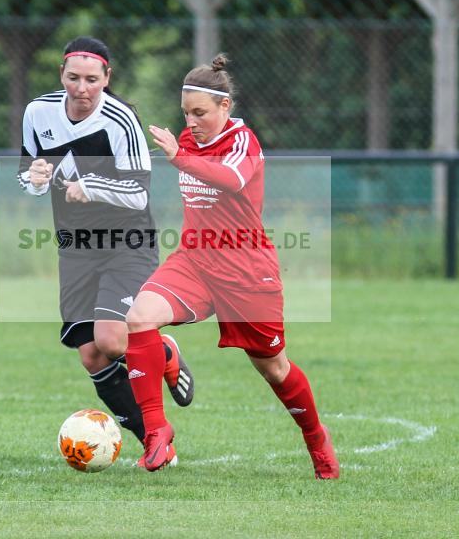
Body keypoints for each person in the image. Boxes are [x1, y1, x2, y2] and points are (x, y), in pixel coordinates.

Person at [124, 54, 339, 478]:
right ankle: (156, 432)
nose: (191, 122)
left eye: (200, 112)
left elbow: (231, 179)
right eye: (186, 113)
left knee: (273, 368)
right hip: (194, 261)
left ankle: (317, 439)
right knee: (139, 317)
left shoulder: (244, 142)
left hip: (246, 272)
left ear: (225, 106)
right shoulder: (186, 141)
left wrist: (179, 158)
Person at [18, 36, 194, 464]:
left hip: (126, 242)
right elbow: (28, 171)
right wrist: (34, 178)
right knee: (92, 355)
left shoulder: (120, 120)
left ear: (107, 78)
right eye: (73, 78)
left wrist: (91, 185)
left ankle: (164, 352)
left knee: (113, 340)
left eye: (92, 80)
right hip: (76, 245)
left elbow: (138, 192)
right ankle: (155, 441)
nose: (82, 88)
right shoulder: (38, 112)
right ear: (61, 74)